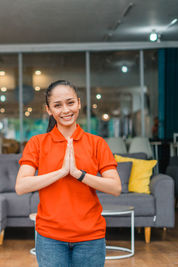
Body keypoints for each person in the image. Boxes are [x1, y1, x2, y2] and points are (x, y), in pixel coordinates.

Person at [15, 80, 121, 267]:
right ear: (49, 110)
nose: (65, 110)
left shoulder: (96, 143)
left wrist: (79, 174)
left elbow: (115, 187)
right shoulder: (37, 143)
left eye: (70, 103)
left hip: (90, 237)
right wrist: (62, 172)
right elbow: (21, 186)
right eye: (57, 105)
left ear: (79, 103)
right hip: (50, 238)